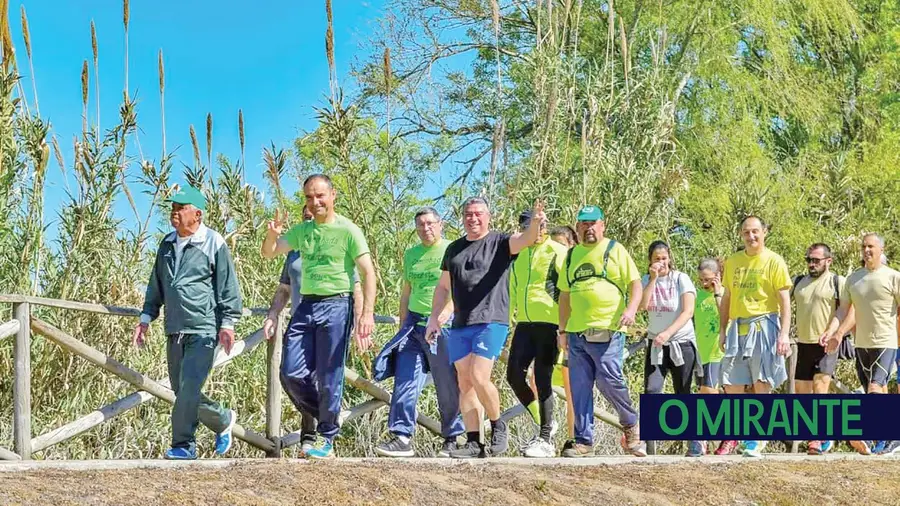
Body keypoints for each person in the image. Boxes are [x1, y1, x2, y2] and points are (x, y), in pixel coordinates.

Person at [261, 174, 377, 459]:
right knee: (290, 373)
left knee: (329, 375)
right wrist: (273, 234)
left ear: (333, 195)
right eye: (309, 197)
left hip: (337, 304)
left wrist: (366, 315)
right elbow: (269, 254)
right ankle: (330, 417)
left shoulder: (349, 230)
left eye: (320, 196)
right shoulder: (303, 230)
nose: (315, 202)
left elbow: (368, 273)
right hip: (306, 306)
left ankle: (325, 436)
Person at [425, 197, 546, 458]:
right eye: (468, 214)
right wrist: (434, 318)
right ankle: (473, 442)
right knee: (465, 382)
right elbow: (443, 287)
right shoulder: (454, 249)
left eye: (478, 213)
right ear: (462, 218)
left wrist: (535, 223)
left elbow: (525, 239)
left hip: (491, 320)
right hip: (460, 324)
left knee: (480, 376)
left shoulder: (501, 242)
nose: (473, 218)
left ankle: (497, 425)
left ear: (488, 216)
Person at [133, 185, 243, 460]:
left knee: (189, 387)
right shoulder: (167, 243)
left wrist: (227, 323)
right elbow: (155, 284)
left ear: (198, 213)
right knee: (181, 390)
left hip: (204, 328)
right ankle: (222, 419)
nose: (174, 212)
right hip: (174, 328)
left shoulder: (213, 242)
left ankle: (183, 445)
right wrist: (146, 317)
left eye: (181, 208)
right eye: (173, 208)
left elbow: (227, 286)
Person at [372, 207, 464, 457]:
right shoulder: (412, 254)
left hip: (441, 323)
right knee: (405, 377)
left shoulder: (452, 249)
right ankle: (402, 436)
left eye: (430, 223)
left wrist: (445, 314)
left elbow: (460, 289)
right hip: (414, 324)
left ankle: (452, 437)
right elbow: (407, 290)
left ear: (440, 223)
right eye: (421, 225)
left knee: (446, 381)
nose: (426, 229)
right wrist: (403, 325)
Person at [557, 205, 647, 458]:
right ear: (578, 227)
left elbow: (636, 284)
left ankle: (631, 424)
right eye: (584, 223)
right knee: (580, 386)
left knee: (609, 380)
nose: (589, 227)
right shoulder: (572, 255)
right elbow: (564, 295)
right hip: (576, 332)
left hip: (609, 329)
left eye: (593, 222)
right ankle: (583, 441)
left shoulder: (615, 249)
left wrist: (631, 310)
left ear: (602, 224)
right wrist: (562, 330)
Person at [718, 216, 792, 458]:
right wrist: (723, 329)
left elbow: (784, 301)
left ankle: (758, 439)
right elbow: (727, 297)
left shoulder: (774, 261)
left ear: (764, 232)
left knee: (762, 382)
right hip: (737, 327)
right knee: (731, 383)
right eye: (746, 232)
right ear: (741, 234)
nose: (751, 237)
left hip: (764, 325)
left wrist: (783, 334)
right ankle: (741, 433)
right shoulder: (733, 261)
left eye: (755, 232)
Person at [822, 234, 900, 455]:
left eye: (871, 246)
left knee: (875, 387)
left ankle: (866, 433)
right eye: (863, 246)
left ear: (881, 249)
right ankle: (888, 437)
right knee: (875, 392)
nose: (866, 250)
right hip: (861, 344)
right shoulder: (853, 279)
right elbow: (844, 310)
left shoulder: (893, 277)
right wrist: (834, 333)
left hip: (886, 342)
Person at [507, 210, 568, 457]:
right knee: (513, 375)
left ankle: (545, 439)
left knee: (542, 378)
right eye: (530, 227)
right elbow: (512, 287)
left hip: (550, 322)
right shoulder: (518, 253)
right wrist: (507, 318)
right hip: (524, 322)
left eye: (540, 226)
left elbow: (568, 289)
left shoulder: (558, 251)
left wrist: (566, 326)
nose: (536, 231)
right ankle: (546, 422)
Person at [638, 241, 703, 456]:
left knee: (682, 392)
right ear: (650, 260)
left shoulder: (680, 279)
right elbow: (642, 306)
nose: (661, 262)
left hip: (680, 343)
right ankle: (650, 444)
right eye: (657, 258)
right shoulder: (647, 280)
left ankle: (694, 441)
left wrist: (668, 332)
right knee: (652, 391)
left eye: (664, 258)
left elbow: (688, 311)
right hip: (656, 344)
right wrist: (653, 280)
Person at [790, 243, 843, 455]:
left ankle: (817, 438)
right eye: (809, 260)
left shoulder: (837, 282)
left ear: (828, 261)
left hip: (825, 344)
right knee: (803, 395)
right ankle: (820, 434)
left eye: (816, 260)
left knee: (820, 392)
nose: (812, 264)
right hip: (803, 343)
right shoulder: (798, 282)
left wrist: (833, 333)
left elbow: (846, 310)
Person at [694, 257, 731, 454]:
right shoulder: (698, 295)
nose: (704, 283)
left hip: (719, 352)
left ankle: (708, 439)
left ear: (717, 276)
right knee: (707, 395)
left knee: (709, 394)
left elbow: (726, 316)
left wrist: (717, 293)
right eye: (701, 280)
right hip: (703, 353)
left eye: (708, 279)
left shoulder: (725, 294)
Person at [549, 225, 578, 440]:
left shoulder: (576, 267)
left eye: (560, 244)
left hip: (573, 332)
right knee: (536, 380)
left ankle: (573, 438)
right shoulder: (550, 269)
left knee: (572, 392)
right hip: (553, 330)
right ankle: (548, 425)